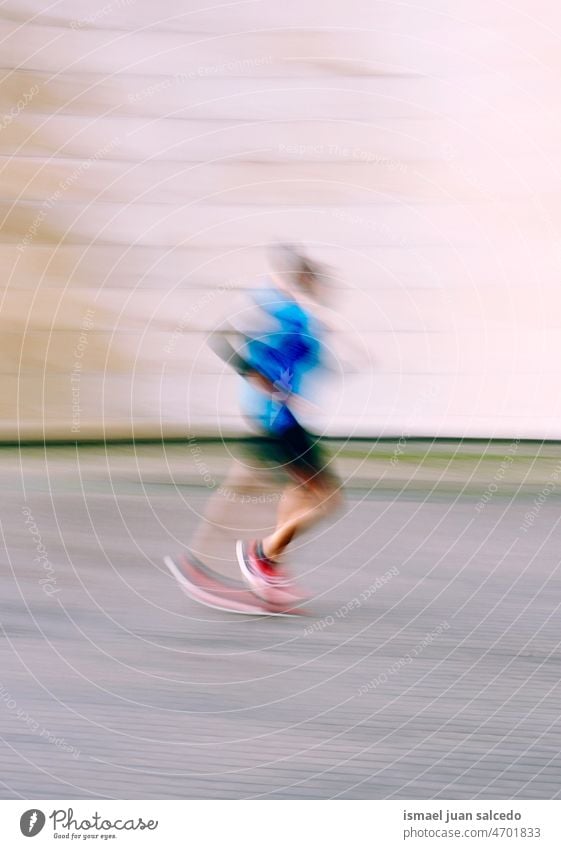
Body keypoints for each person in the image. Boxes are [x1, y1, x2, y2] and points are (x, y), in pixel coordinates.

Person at [212, 244, 343, 604]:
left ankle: (270, 567)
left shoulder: (277, 305)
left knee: (301, 490)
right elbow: (223, 338)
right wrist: (265, 383)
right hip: (279, 419)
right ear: (303, 279)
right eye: (316, 282)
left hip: (275, 416)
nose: (323, 291)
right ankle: (262, 556)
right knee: (328, 498)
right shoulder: (289, 313)